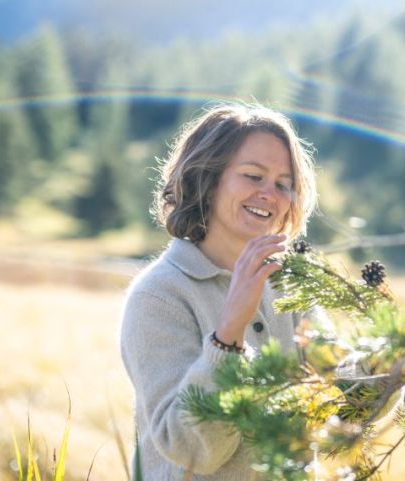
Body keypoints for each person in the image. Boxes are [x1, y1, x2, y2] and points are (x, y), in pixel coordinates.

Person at [119, 102, 318, 481]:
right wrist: (228, 336)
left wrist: (397, 368)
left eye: (283, 184)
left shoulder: (288, 286)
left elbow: (341, 400)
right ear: (207, 179)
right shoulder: (158, 296)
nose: (269, 195)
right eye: (252, 176)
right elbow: (193, 453)